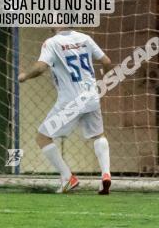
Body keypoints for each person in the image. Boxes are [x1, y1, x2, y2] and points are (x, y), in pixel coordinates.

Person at [18, 28, 113, 194]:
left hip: (71, 102)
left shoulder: (52, 43)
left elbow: (41, 68)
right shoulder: (85, 38)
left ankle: (68, 177)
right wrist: (105, 79)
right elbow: (106, 61)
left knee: (43, 138)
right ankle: (106, 174)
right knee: (98, 135)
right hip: (91, 97)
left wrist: (24, 76)